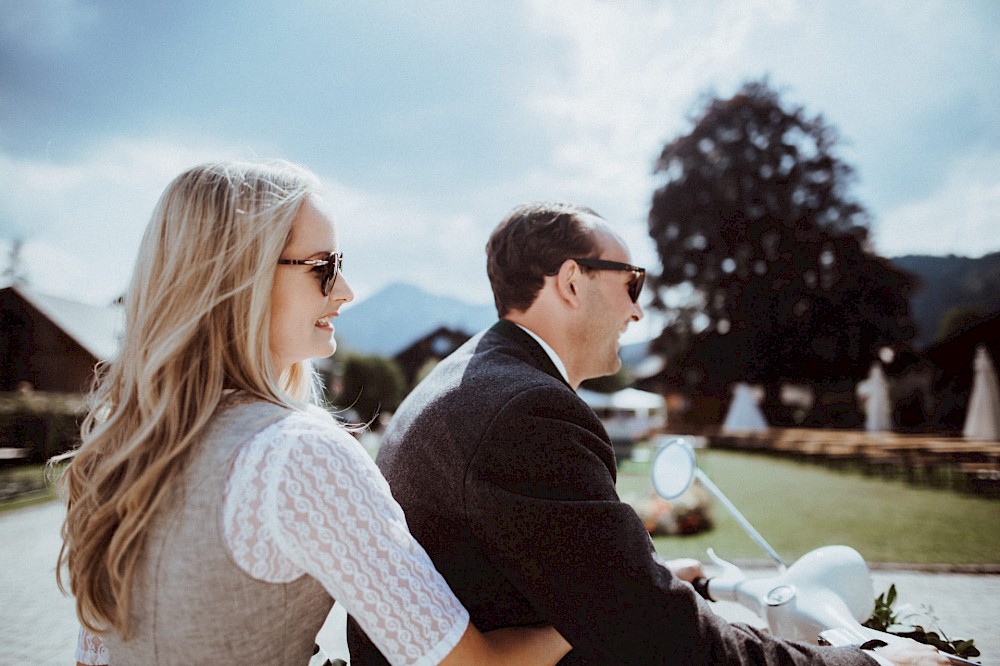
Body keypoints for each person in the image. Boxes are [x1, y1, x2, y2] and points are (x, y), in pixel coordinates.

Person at [347, 202, 947, 665]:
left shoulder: (474, 377)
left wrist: (642, 577)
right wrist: (860, 659)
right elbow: (663, 643)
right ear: (572, 282)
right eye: (632, 282)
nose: (638, 311)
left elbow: (556, 564)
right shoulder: (527, 409)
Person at [55, 161, 571, 666]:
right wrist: (608, 614)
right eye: (323, 267)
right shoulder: (295, 453)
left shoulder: (119, 448)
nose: (345, 290)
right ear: (239, 279)